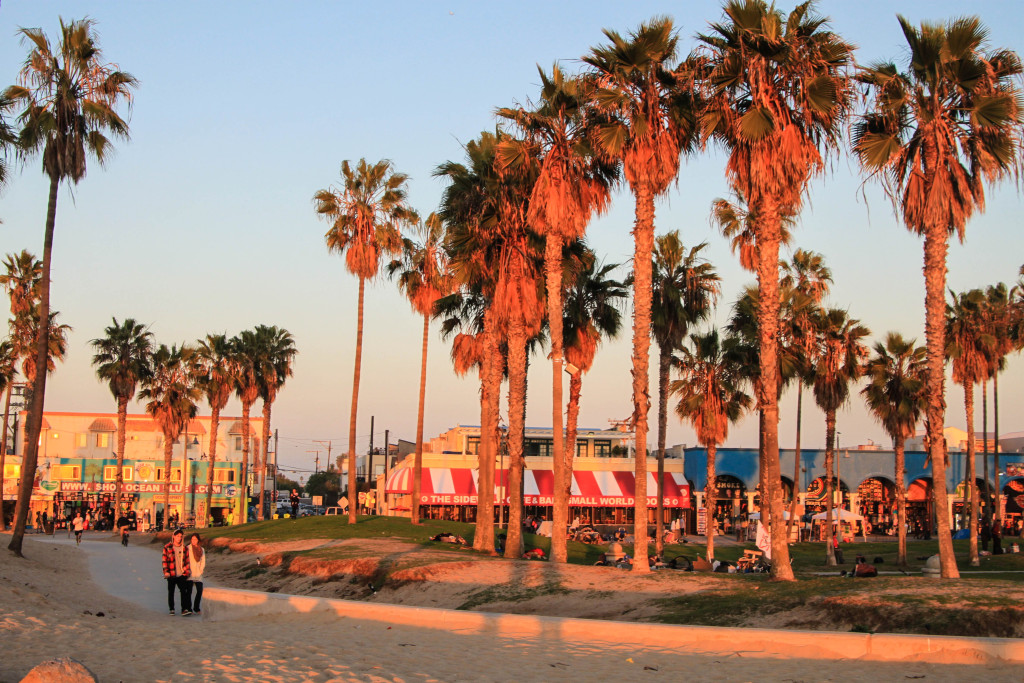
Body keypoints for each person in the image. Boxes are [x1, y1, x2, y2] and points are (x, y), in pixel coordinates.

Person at [162, 528, 193, 616]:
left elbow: (187, 561)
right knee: (171, 592)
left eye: (180, 536)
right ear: (173, 537)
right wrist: (166, 572)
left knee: (183, 591)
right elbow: (164, 561)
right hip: (171, 574)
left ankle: (184, 609)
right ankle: (171, 608)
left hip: (181, 574)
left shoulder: (184, 548)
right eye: (177, 536)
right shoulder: (167, 547)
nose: (179, 538)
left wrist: (186, 571)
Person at [187, 533, 206, 615]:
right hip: (190, 573)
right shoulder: (188, 548)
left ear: (198, 540)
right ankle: (189, 609)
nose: (193, 541)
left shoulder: (201, 549)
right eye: (192, 539)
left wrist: (201, 569)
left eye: (195, 539)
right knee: (189, 592)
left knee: (199, 590)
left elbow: (203, 561)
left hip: (198, 573)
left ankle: (196, 607)